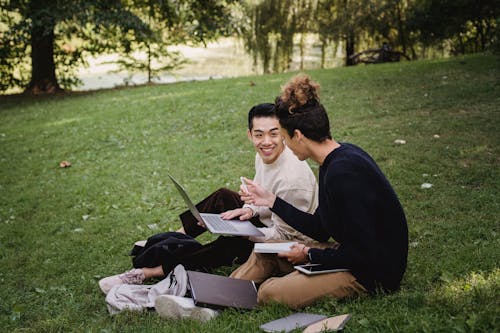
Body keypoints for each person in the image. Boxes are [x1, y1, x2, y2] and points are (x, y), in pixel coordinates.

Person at [99, 103, 318, 295]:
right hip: (269, 221)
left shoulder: (292, 180)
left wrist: (243, 232)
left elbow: (287, 235)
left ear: (283, 133)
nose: (266, 141)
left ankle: (148, 272)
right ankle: (171, 240)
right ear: (250, 135)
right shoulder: (264, 154)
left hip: (289, 243)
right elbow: (263, 199)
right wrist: (249, 210)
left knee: (229, 243)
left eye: (274, 133)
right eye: (259, 134)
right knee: (223, 196)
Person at [231, 74, 408, 308]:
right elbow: (322, 229)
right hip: (352, 254)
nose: (284, 145)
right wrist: (272, 201)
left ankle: (248, 292)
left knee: (269, 293)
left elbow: (363, 253)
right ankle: (220, 295)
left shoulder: (343, 174)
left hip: (371, 272)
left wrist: (310, 255)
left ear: (297, 136)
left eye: (283, 137)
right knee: (268, 250)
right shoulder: (335, 160)